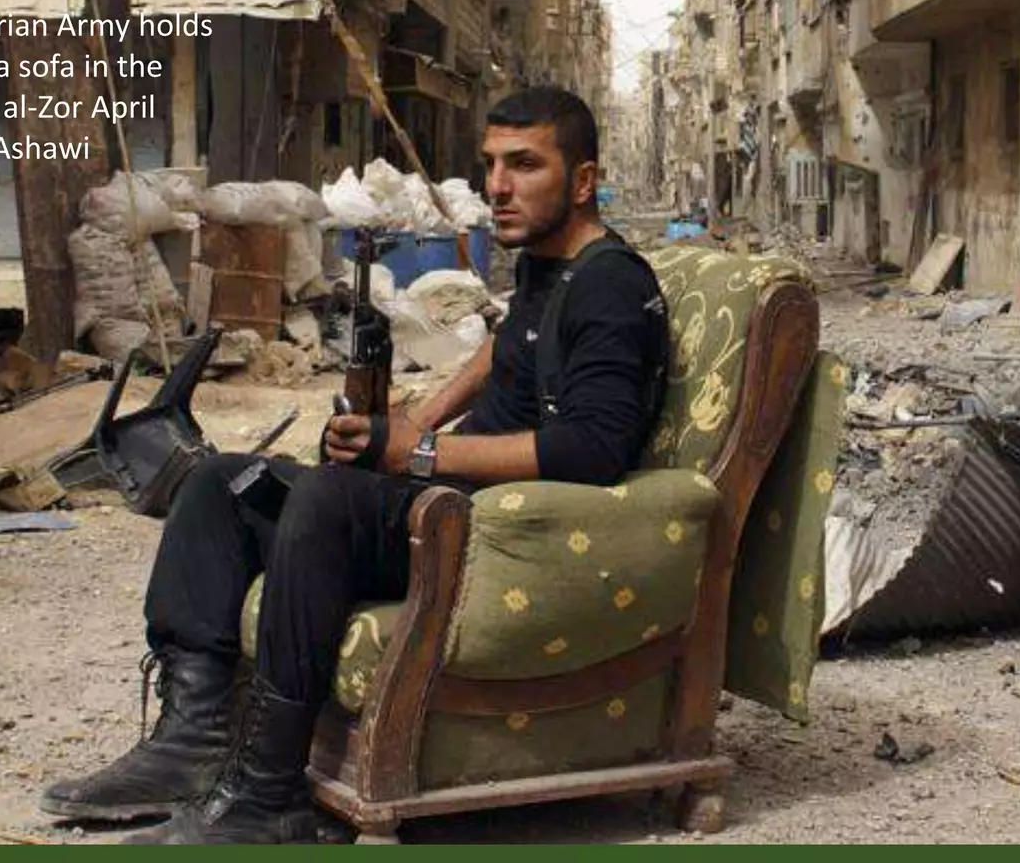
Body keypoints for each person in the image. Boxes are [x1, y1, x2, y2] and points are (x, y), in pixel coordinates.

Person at [39, 87, 671, 845]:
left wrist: (417, 452)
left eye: (525, 165)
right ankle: (192, 744)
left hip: (486, 534)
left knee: (330, 501)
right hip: (436, 499)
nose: (499, 186)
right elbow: (508, 348)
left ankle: (269, 797)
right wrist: (411, 419)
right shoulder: (548, 264)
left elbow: (591, 449)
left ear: (582, 180)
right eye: (492, 164)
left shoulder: (611, 284)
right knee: (219, 483)